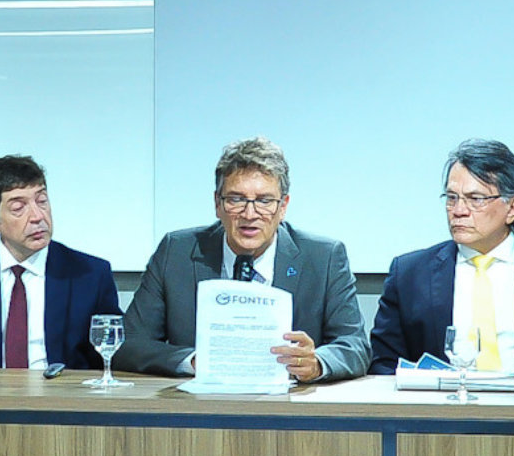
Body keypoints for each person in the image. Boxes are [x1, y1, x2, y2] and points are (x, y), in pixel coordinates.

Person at [118, 136, 368, 383]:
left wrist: (315, 363)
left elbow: (355, 345)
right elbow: (129, 342)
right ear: (217, 203)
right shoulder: (177, 252)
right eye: (236, 199)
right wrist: (193, 361)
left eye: (264, 201)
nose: (250, 214)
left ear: (283, 207)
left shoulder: (324, 257)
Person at [368, 139, 514, 374]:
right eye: (452, 198)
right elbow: (384, 365)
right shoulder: (409, 273)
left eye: (476, 199)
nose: (459, 210)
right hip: (442, 406)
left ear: (513, 208)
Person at [0, 155, 122, 370]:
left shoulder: (90, 274)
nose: (37, 216)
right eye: (19, 207)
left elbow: (112, 359)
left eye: (42, 201)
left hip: (62, 398)